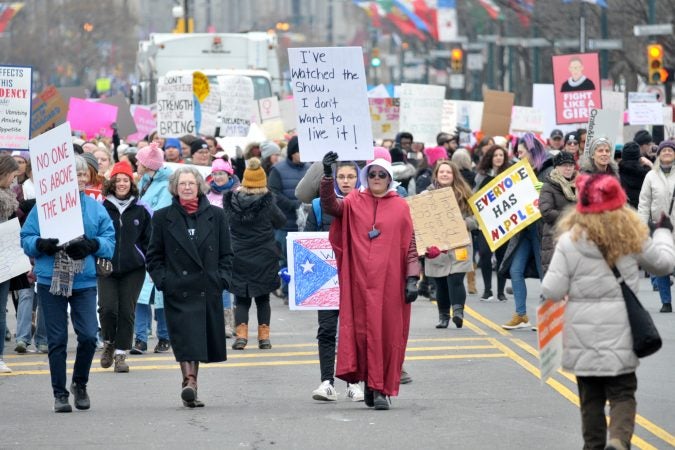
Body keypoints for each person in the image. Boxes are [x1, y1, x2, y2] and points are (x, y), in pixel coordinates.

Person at [542, 173, 675, 450]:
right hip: (621, 330)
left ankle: (593, 446)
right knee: (623, 392)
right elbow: (663, 265)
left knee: (590, 397)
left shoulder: (569, 241)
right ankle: (618, 439)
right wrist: (663, 232)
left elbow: (552, 290)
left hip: (581, 334)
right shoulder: (631, 237)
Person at [319, 151, 420, 410]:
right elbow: (332, 207)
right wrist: (327, 176)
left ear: (389, 179)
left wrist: (412, 277)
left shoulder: (400, 206)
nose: (376, 178)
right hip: (360, 285)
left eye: (382, 174)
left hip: (390, 286)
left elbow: (410, 244)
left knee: (387, 336)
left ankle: (380, 388)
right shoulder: (354, 200)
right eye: (373, 174)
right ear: (367, 176)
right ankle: (371, 385)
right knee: (364, 336)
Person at [21, 154, 115, 412]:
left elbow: (109, 240)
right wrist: (40, 244)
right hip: (51, 279)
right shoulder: (43, 208)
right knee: (57, 339)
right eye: (73, 175)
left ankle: (80, 383)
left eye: (83, 174)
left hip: (83, 281)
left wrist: (92, 245)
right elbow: (26, 237)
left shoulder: (96, 207)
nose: (79, 179)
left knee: (87, 337)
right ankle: (59, 394)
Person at [146, 166, 233, 408]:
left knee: (197, 338)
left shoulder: (216, 215)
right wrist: (164, 281)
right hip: (178, 288)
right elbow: (154, 256)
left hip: (207, 287)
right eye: (182, 183)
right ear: (175, 187)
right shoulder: (163, 217)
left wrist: (222, 279)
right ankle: (190, 382)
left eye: (191, 184)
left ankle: (190, 383)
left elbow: (227, 253)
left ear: (199, 187)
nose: (186, 187)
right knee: (186, 338)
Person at [306, 160, 365, 402]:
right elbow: (307, 241)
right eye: (341, 176)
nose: (346, 180)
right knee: (327, 330)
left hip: (356, 279)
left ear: (358, 178)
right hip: (327, 278)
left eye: (351, 176)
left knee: (355, 330)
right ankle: (327, 382)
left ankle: (354, 383)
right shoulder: (320, 206)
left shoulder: (366, 204)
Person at [224, 158, 285, 350]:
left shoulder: (232, 202)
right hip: (264, 257)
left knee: (241, 298)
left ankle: (241, 337)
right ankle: (264, 338)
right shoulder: (267, 203)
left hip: (239, 255)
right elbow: (281, 221)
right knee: (262, 298)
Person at [99, 162, 152, 373]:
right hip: (106, 266)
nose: (122, 184)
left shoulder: (142, 209)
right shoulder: (101, 207)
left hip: (134, 268)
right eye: (118, 180)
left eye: (126, 180)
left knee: (126, 310)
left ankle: (121, 354)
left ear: (132, 183)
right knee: (107, 308)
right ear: (111, 182)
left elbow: (150, 240)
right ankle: (109, 343)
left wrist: (147, 261)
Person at [499, 133, 551, 329]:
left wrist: (545, 188)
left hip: (541, 231)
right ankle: (521, 315)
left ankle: (547, 316)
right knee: (515, 270)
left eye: (521, 153)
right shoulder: (518, 172)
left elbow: (562, 195)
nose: (519, 157)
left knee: (544, 272)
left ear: (532, 151)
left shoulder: (549, 171)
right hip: (523, 231)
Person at [423, 161, 477, 329]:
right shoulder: (426, 195)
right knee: (440, 282)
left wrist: (465, 223)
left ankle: (458, 312)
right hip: (437, 246)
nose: (445, 174)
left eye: (448, 172)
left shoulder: (464, 194)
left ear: (454, 175)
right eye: (442, 172)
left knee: (456, 278)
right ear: (436, 175)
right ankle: (444, 316)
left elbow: (476, 219)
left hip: (459, 244)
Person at [132, 142, 173, 355]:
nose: (136, 164)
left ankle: (164, 336)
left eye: (139, 161)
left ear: (148, 165)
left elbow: (160, 213)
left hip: (159, 245)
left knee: (160, 292)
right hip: (141, 243)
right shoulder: (144, 181)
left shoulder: (166, 184)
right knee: (140, 293)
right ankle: (140, 338)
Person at [268, 136, 308, 303]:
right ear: (292, 152)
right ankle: (286, 291)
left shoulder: (310, 168)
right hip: (285, 223)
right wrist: (294, 205)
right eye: (299, 151)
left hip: (305, 224)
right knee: (285, 258)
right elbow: (274, 193)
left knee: (303, 260)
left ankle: (302, 291)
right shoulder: (278, 169)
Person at [637, 140, 675, 313]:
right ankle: (666, 301)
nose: (667, 152)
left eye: (670, 150)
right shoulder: (651, 176)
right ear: (658, 154)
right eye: (664, 150)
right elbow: (644, 202)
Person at [206, 158, 240, 337]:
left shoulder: (238, 193)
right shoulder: (207, 195)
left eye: (221, 173)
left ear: (229, 175)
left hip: (235, 242)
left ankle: (237, 321)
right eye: (215, 174)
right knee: (222, 283)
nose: (218, 177)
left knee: (235, 283)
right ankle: (225, 323)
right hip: (214, 245)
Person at [474, 145, 512, 301]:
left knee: (502, 256)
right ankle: (488, 289)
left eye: (501, 155)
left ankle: (501, 292)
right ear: (490, 157)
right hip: (486, 223)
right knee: (484, 254)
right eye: (495, 155)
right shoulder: (481, 176)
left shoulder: (509, 175)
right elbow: (475, 195)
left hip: (504, 223)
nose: (498, 157)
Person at [539, 152, 577, 275]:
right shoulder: (548, 186)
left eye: (571, 165)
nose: (568, 168)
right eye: (564, 165)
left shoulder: (579, 185)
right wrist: (571, 216)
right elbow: (546, 212)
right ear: (556, 168)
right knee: (556, 279)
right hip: (554, 238)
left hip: (575, 237)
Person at [0, 155, 20, 372]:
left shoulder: (9, 198)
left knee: (0, 311)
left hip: (4, 258)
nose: (14, 182)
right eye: (13, 176)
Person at [619, 141, 652, 209]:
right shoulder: (647, 173)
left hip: (624, 211)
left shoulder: (616, 173)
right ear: (639, 157)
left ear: (623, 156)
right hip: (643, 211)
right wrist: (650, 164)